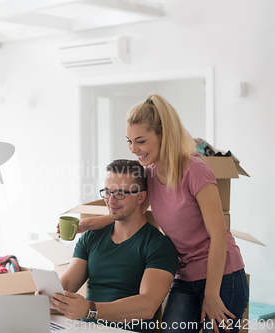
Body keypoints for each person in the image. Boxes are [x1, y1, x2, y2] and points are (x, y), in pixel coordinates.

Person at [79, 94, 248, 333]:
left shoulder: (196, 171)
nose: (133, 149)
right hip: (185, 276)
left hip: (222, 276)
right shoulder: (148, 175)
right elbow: (132, 207)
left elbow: (219, 235)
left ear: (163, 135)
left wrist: (211, 293)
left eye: (140, 141)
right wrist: (93, 223)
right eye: (129, 141)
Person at [51, 159, 178, 333]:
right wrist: (49, 297)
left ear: (141, 197)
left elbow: (147, 306)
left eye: (120, 193)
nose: (111, 200)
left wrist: (91, 310)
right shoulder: (91, 237)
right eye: (107, 192)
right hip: (85, 329)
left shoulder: (159, 246)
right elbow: (66, 285)